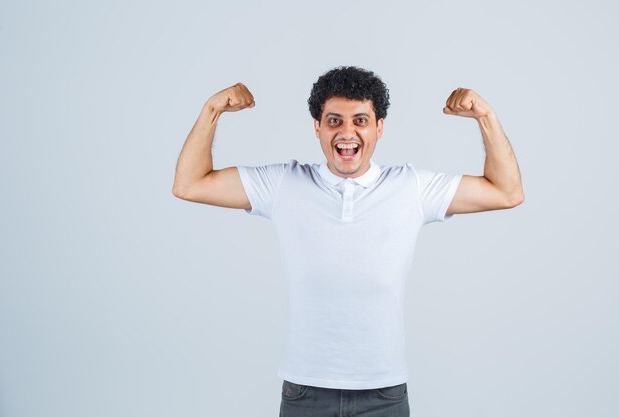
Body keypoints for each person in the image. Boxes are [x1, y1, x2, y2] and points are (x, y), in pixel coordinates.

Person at [172, 66, 524, 417]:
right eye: (334, 121)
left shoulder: (411, 187)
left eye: (360, 120)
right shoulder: (283, 184)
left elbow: (506, 192)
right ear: (318, 127)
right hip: (305, 391)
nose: (347, 133)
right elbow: (190, 184)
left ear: (379, 127)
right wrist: (211, 111)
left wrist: (486, 117)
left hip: (383, 394)